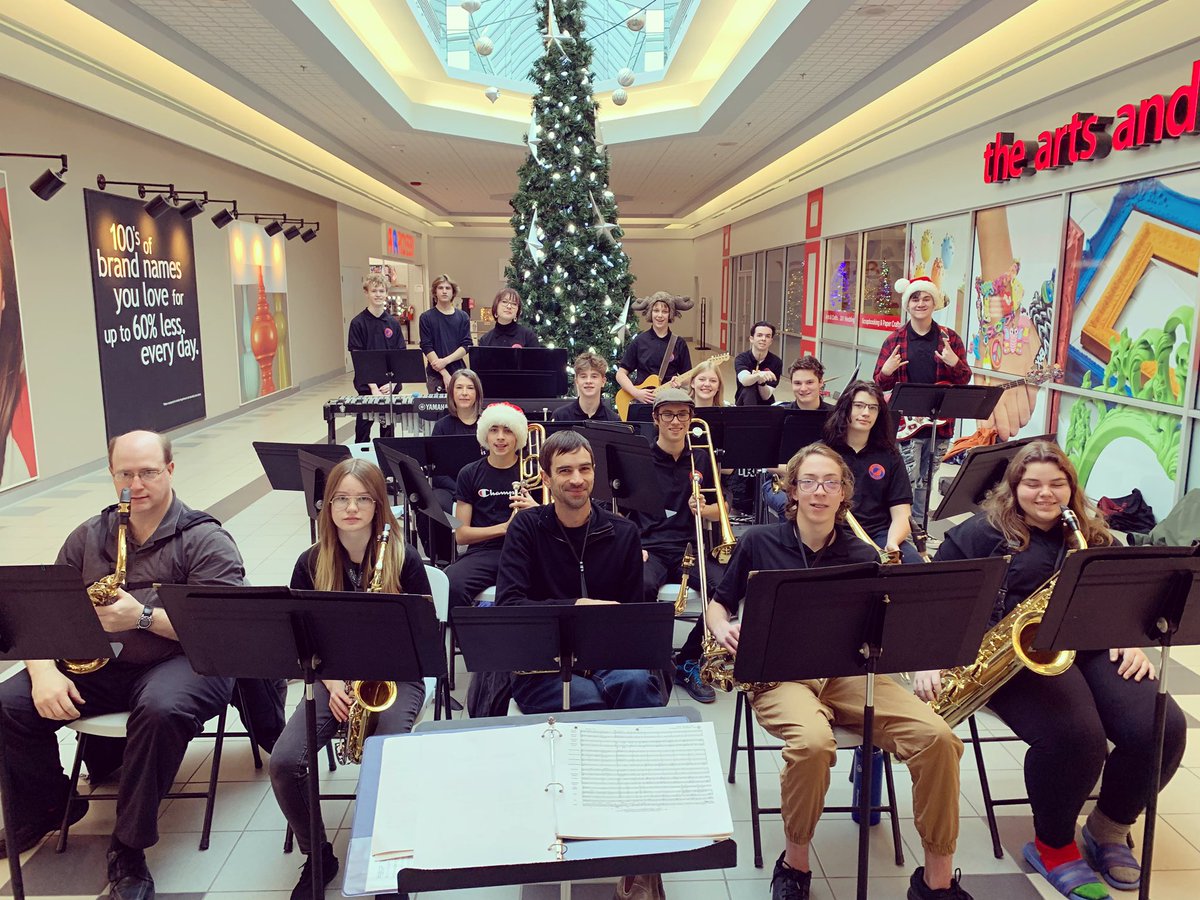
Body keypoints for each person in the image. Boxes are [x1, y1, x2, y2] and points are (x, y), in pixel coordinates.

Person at [918, 441, 1187, 898]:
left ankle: (1109, 827)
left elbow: (1122, 597)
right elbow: (936, 597)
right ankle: (1054, 845)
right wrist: (933, 657)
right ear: (1014, 486)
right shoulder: (980, 533)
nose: (1046, 494)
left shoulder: (1089, 531)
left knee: (1162, 726)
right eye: (1033, 484)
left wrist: (1129, 637)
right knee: (1077, 739)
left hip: (1089, 646)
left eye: (1057, 484)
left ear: (1071, 486)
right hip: (1010, 657)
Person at [707, 443, 972, 900]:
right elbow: (719, 603)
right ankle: (795, 864)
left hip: (849, 673)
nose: (819, 492)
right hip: (780, 673)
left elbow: (890, 626)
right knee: (812, 743)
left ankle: (937, 881)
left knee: (940, 739)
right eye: (808, 482)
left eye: (830, 482)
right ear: (792, 489)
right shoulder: (759, 541)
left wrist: (926, 657)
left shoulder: (861, 553)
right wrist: (722, 626)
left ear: (844, 492)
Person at [0, 431, 244, 900]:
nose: (136, 484)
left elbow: (223, 632)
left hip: (187, 663)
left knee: (159, 710)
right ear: (112, 475)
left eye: (148, 472)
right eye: (125, 474)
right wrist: (43, 670)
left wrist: (145, 616)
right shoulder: (90, 535)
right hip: (103, 666)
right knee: (10, 703)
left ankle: (128, 850)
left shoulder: (205, 539)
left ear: (170, 471)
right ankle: (50, 806)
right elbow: (39, 614)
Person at [496, 429, 668, 900]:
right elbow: (509, 605)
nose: (577, 479)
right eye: (565, 471)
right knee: (590, 704)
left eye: (584, 469)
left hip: (611, 657)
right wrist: (575, 605)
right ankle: (586, 826)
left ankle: (638, 846)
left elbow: (633, 617)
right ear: (547, 479)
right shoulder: (526, 530)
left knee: (635, 689)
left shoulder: (625, 532)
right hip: (544, 665)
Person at [270, 459, 430, 900]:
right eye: (342, 498)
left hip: (395, 677)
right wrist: (333, 679)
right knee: (284, 764)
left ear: (379, 506)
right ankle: (318, 853)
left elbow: (422, 640)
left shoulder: (406, 560)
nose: (352, 508)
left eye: (363, 499)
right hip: (334, 680)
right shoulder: (310, 563)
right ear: (328, 505)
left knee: (390, 758)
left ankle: (387, 858)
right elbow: (300, 638)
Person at [624, 387, 721, 705]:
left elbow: (721, 509)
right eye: (668, 414)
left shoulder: (702, 456)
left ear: (691, 417)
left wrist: (703, 509)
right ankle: (653, 660)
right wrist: (631, 546)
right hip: (649, 545)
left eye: (682, 414)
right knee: (638, 584)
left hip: (690, 546)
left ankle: (688, 660)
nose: (676, 421)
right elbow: (622, 514)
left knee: (723, 589)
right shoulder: (640, 459)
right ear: (655, 418)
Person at [873, 277, 971, 522]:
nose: (920, 303)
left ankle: (921, 527)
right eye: (915, 298)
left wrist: (954, 363)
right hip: (905, 424)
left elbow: (964, 379)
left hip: (942, 423)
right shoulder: (894, 340)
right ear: (907, 304)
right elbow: (878, 384)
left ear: (934, 302)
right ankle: (904, 527)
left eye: (926, 298)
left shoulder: (950, 339)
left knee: (927, 480)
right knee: (908, 477)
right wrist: (886, 370)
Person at [445, 402, 538, 609]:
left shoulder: (534, 473)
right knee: (451, 585)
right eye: (494, 430)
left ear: (518, 436)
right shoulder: (468, 473)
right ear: (485, 435)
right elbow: (461, 534)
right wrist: (504, 528)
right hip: (484, 553)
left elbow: (554, 521)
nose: (500, 437)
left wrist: (536, 509)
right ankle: (468, 640)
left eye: (508, 430)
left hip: (527, 551)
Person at [823, 381, 921, 563]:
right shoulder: (824, 452)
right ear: (846, 409)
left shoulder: (890, 455)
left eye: (873, 408)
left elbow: (901, 513)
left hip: (879, 534)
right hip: (833, 534)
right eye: (859, 406)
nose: (866, 413)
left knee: (914, 564)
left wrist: (893, 542)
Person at [761, 356, 833, 519]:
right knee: (790, 508)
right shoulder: (779, 415)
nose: (803, 388)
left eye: (809, 382)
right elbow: (767, 463)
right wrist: (805, 476)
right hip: (781, 480)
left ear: (821, 382)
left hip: (824, 483)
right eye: (797, 383)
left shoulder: (835, 417)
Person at [347, 274, 406, 444]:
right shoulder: (358, 323)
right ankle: (362, 466)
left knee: (388, 434)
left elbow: (400, 355)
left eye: (381, 291)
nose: (378, 294)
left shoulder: (393, 323)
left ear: (387, 293)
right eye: (374, 291)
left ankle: (385, 465)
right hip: (367, 388)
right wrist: (373, 387)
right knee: (363, 432)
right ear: (366, 293)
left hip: (390, 386)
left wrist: (393, 382)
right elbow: (358, 358)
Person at [615, 291, 694, 406]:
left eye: (665, 311)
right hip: (643, 403)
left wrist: (679, 382)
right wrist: (636, 393)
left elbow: (687, 377)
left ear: (670, 314)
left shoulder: (679, 343)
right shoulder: (640, 341)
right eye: (656, 310)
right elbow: (620, 374)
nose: (660, 315)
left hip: (669, 401)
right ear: (650, 313)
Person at [419, 273, 472, 393]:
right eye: (440, 288)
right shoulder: (426, 317)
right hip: (435, 374)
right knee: (437, 410)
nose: (444, 291)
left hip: (459, 372)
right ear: (435, 292)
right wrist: (444, 373)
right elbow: (426, 346)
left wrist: (445, 361)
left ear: (453, 292)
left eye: (447, 288)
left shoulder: (463, 316)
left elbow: (466, 345)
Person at [553, 351, 619, 421]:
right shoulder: (560, 416)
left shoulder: (614, 420)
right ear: (576, 381)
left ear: (603, 381)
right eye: (583, 376)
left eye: (594, 376)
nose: (588, 381)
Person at [734, 321, 783, 406]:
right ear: (751, 339)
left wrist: (761, 383)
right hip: (743, 404)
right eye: (759, 335)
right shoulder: (741, 358)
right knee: (749, 388)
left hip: (765, 406)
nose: (763, 339)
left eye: (767, 336)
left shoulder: (776, 362)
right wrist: (758, 376)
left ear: (771, 341)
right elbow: (745, 381)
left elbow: (766, 396)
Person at [431, 369, 484, 438]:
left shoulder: (489, 424)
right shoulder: (441, 427)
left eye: (470, 388)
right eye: (459, 387)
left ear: (477, 393)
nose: (464, 393)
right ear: (451, 392)